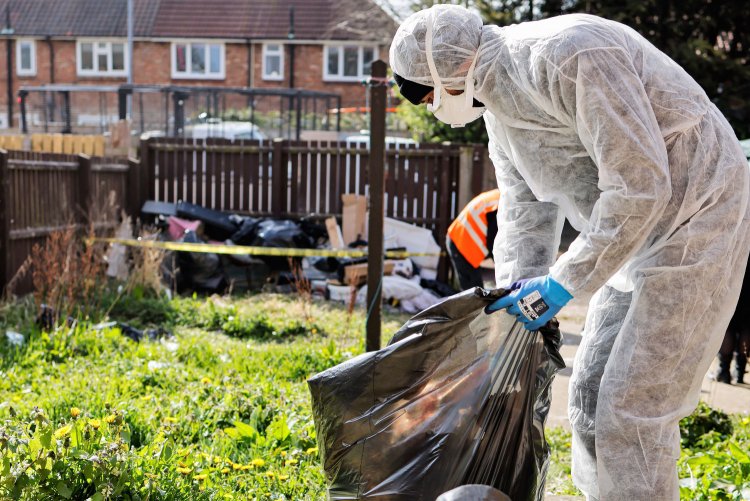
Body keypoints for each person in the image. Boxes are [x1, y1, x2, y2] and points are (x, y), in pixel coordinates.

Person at [389, 5, 750, 501]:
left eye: (428, 95)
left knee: (631, 406)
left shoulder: (568, 55)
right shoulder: (500, 111)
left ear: (447, 67)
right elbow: (523, 214)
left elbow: (641, 186)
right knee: (587, 394)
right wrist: (513, 312)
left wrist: (563, 283)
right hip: (633, 243)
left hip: (698, 220)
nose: (434, 107)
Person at [446, 189, 500, 290]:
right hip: (461, 244)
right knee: (474, 293)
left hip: (459, 237)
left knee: (475, 293)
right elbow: (495, 244)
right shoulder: (500, 206)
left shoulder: (499, 197)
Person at [715, 262, 750, 384]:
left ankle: (724, 372)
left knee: (729, 326)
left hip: (737, 277)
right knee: (747, 328)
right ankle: (740, 372)